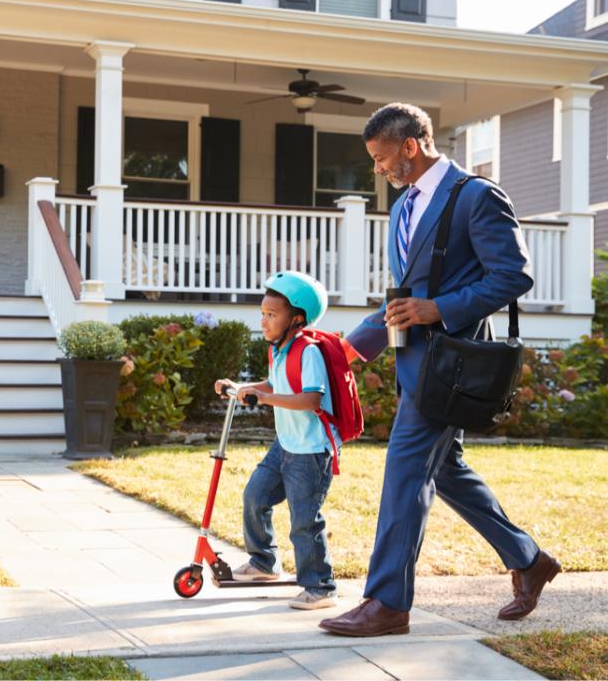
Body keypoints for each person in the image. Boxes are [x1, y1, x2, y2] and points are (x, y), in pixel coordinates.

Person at [319, 102, 559, 638]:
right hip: (415, 364)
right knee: (445, 470)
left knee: (405, 471)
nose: (377, 170)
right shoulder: (404, 208)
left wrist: (439, 309)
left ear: (411, 146)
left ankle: (387, 602)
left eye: (382, 159)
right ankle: (529, 559)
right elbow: (408, 294)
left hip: (453, 366)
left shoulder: (476, 196)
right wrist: (356, 347)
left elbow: (513, 276)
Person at [215, 271, 339, 611]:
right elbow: (272, 385)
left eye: (272, 315)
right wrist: (242, 389)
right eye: (263, 313)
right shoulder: (279, 350)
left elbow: (311, 400)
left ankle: (321, 587)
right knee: (255, 496)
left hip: (311, 451)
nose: (264, 321)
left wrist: (264, 399)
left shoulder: (308, 351)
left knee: (304, 520)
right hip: (285, 444)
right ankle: (264, 563)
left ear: (296, 319)